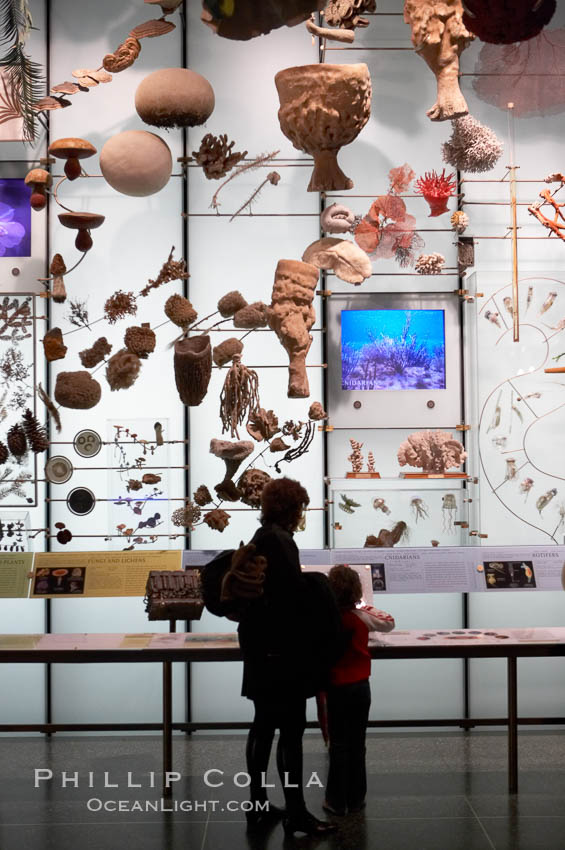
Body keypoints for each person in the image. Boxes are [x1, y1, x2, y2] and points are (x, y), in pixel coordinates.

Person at [236, 477, 341, 837]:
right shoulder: (281, 541)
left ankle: (258, 805)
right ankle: (296, 812)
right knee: (292, 730)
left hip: (258, 646)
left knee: (263, 725)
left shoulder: (261, 536)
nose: (301, 516)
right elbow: (291, 597)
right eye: (300, 508)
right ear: (292, 508)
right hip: (282, 652)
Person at [324, 564, 395, 816]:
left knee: (338, 744)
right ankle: (356, 799)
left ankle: (335, 800)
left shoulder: (325, 616)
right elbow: (389, 623)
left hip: (335, 687)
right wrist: (362, 605)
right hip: (360, 686)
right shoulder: (361, 616)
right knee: (358, 744)